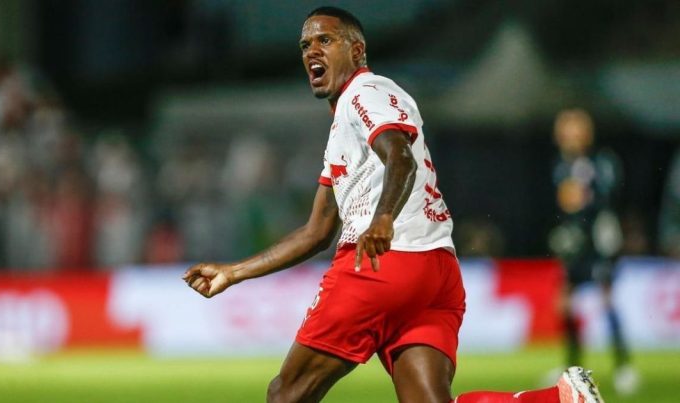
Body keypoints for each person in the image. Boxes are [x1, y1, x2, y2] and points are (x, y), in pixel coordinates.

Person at [184, 7, 604, 403]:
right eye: (305, 45)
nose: (311, 50)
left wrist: (383, 218)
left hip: (381, 264)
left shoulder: (365, 92)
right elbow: (316, 232)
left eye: (325, 40)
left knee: (286, 394)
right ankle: (559, 397)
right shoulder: (344, 126)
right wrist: (233, 272)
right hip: (435, 271)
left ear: (357, 50)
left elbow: (399, 155)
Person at [547, 108, 637, 395]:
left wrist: (585, 199)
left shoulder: (601, 161)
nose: (567, 137)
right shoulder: (561, 165)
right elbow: (564, 204)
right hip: (575, 243)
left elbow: (607, 196)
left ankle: (623, 366)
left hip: (599, 241)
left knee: (607, 300)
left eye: (572, 131)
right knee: (566, 304)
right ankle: (572, 368)